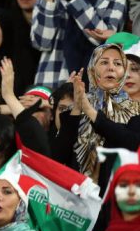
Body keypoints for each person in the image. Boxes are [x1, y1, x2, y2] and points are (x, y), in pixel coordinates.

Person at [55, 44, 140, 178]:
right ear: (93, 69)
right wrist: (78, 106)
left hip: (113, 191)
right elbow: (58, 156)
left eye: (118, 64)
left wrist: (89, 110)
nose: (111, 68)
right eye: (104, 62)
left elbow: (132, 143)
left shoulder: (136, 110)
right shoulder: (75, 106)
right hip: (74, 190)